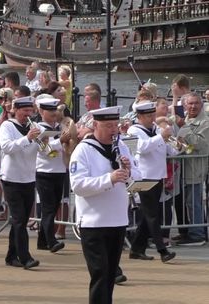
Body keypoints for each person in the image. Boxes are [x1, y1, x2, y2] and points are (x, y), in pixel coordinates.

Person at [70, 106, 141, 304]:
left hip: (117, 220)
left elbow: (138, 175)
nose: (113, 130)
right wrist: (109, 179)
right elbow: (78, 185)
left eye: (115, 126)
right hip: (94, 222)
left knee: (110, 273)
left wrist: (129, 171)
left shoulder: (122, 147)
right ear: (95, 126)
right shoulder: (83, 150)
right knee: (100, 273)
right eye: (108, 126)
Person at [127, 101, 177, 262]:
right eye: (148, 116)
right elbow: (141, 148)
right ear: (140, 116)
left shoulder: (155, 130)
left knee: (148, 216)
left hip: (158, 177)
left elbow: (169, 150)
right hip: (144, 177)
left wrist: (177, 145)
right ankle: (162, 250)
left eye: (153, 115)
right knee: (153, 215)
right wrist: (161, 137)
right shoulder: (133, 130)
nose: (152, 119)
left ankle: (136, 249)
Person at [0, 96, 41, 270]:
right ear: (16, 110)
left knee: (21, 220)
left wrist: (43, 142)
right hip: (12, 178)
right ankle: (25, 257)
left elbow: (41, 151)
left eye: (30, 111)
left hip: (28, 177)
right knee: (18, 218)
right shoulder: (7, 126)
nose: (27, 115)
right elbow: (7, 148)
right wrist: (27, 138)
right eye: (25, 111)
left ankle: (11, 255)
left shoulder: (33, 127)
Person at [35, 96, 69, 253]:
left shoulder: (60, 126)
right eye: (50, 110)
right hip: (45, 172)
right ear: (42, 111)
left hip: (59, 170)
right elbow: (44, 150)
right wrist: (61, 141)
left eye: (55, 110)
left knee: (54, 206)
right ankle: (51, 240)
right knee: (48, 208)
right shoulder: (37, 127)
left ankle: (42, 241)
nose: (54, 113)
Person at [176, 93, 209, 246]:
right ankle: (192, 230)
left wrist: (185, 130)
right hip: (184, 167)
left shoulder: (205, 122)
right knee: (188, 201)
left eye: (196, 103)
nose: (193, 106)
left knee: (194, 201)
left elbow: (202, 144)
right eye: (190, 104)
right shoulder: (186, 120)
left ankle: (197, 235)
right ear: (185, 106)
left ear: (201, 105)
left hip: (196, 167)